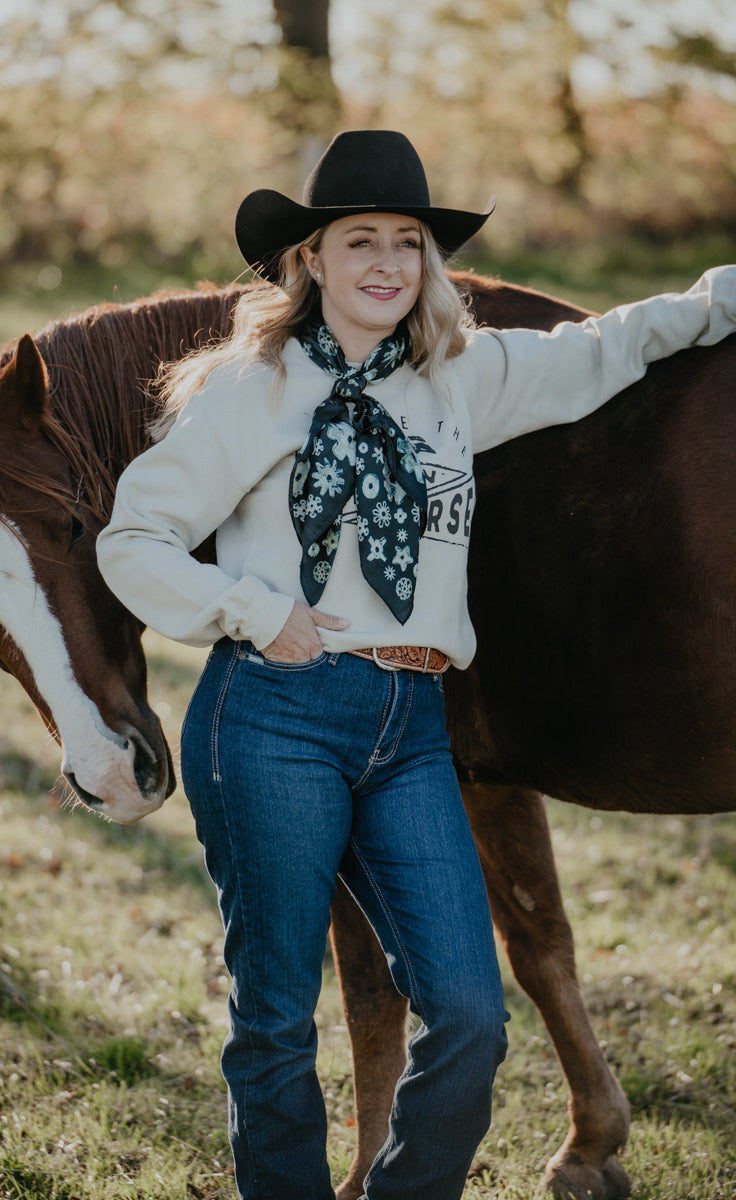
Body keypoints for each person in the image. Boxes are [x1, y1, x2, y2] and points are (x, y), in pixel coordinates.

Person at [96, 130, 736, 1200]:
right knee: (272, 1019)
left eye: (407, 243)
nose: (388, 263)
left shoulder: (457, 382)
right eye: (361, 242)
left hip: (409, 724)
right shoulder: (249, 389)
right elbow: (133, 538)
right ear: (310, 262)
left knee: (470, 1018)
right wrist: (247, 609)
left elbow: (615, 346)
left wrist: (722, 291)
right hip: (275, 715)